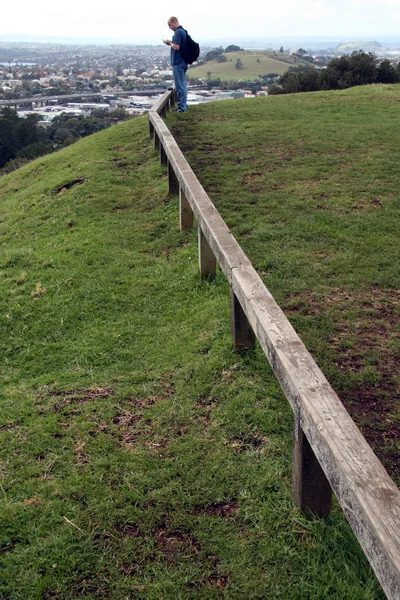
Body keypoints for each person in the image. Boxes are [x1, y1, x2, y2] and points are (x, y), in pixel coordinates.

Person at [163, 17, 188, 112]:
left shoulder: (178, 32)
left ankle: (181, 107)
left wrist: (169, 42)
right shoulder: (183, 31)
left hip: (178, 62)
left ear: (174, 22)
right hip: (183, 61)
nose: (169, 27)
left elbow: (176, 47)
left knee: (179, 85)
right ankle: (183, 106)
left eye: (170, 25)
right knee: (182, 84)